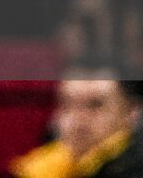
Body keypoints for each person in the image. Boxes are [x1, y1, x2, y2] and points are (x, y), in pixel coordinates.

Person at [13, 74, 143, 178]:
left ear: (132, 112)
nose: (77, 119)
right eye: (66, 105)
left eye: (95, 105)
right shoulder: (39, 168)